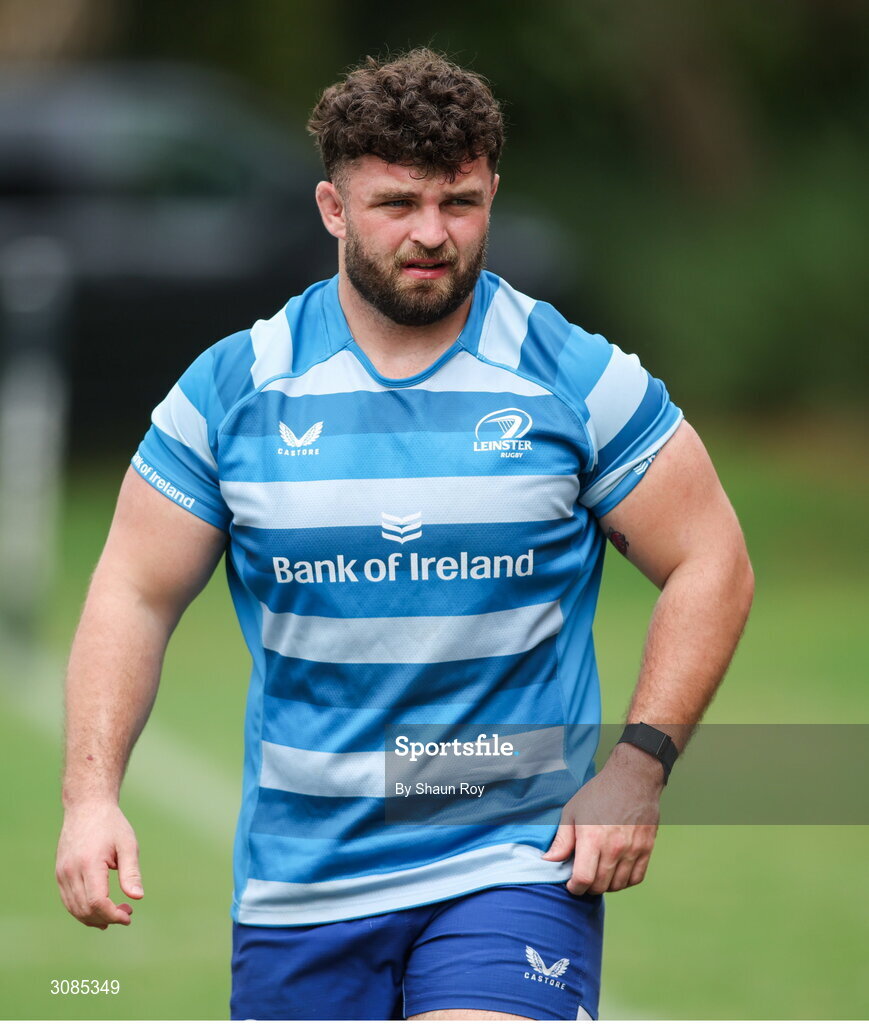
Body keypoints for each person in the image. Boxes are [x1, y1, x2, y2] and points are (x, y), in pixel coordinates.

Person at [55, 49, 753, 1021]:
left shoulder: (571, 377)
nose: (432, 234)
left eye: (459, 202)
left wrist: (636, 766)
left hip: (508, 861)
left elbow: (710, 556)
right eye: (396, 205)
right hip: (300, 888)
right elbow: (133, 588)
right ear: (332, 209)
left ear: (491, 194)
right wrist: (90, 799)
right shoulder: (233, 389)